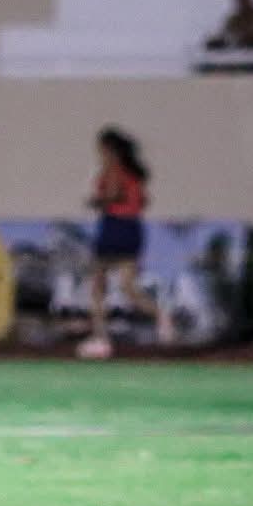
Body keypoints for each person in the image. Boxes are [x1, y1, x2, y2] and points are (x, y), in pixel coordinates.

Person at [78, 127, 169, 360]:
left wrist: (96, 201)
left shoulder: (113, 170)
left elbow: (113, 194)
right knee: (129, 288)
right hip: (133, 228)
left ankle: (101, 339)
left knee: (98, 286)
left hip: (115, 227)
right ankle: (161, 317)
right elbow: (143, 201)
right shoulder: (134, 174)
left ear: (109, 149)